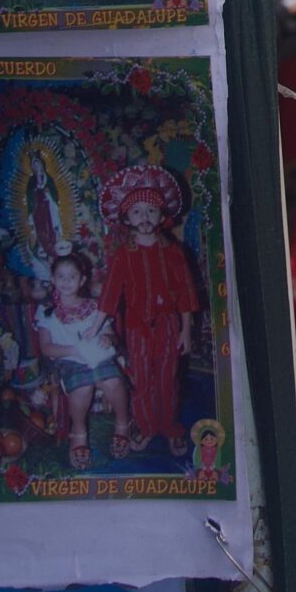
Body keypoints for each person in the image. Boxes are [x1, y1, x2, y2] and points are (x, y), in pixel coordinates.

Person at [101, 170, 200, 458]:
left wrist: (186, 330)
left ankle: (170, 427)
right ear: (127, 218)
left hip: (169, 325)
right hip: (136, 327)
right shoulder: (123, 253)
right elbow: (109, 293)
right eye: (136, 211)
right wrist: (96, 326)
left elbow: (185, 293)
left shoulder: (174, 253)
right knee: (142, 379)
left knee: (168, 378)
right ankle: (145, 426)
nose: (144, 217)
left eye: (151, 210)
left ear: (161, 215)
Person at [32, 251, 131, 468]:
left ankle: (122, 424)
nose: (66, 281)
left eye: (72, 276)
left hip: (97, 355)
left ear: (82, 280)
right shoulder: (46, 312)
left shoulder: (94, 306)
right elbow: (46, 347)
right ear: (52, 278)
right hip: (68, 358)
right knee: (83, 387)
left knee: (113, 381)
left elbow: (109, 332)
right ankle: (78, 432)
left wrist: (107, 337)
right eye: (61, 276)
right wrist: (73, 350)